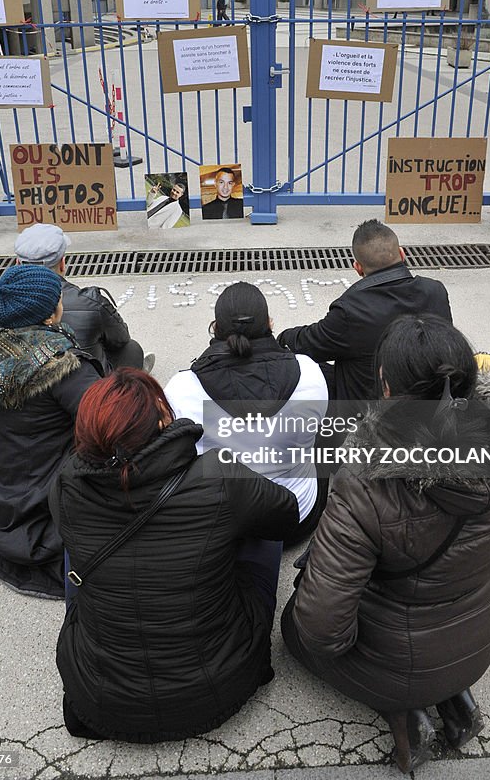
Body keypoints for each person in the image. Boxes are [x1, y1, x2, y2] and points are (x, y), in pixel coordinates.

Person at [281, 315, 490, 774]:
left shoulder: (366, 481)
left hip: (398, 662)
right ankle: (450, 699)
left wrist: (369, 646)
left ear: (387, 389)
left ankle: (406, 713)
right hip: (481, 636)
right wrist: (483, 563)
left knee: (292, 629)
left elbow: (321, 629)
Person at [50, 368, 298, 741]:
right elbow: (287, 517)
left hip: (101, 700)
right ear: (163, 417)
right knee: (260, 521)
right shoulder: (218, 474)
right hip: (221, 684)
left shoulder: (66, 486)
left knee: (78, 550)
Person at [0, 265, 102, 597]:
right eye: (58, 299)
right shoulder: (63, 367)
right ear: (49, 317)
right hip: (45, 520)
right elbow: (113, 426)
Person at [165, 282, 329, 545]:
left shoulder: (182, 388)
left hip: (222, 527)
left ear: (215, 328)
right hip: (296, 518)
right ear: (270, 323)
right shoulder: (308, 372)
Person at [278, 220, 452, 403]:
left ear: (358, 267)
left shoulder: (350, 310)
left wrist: (283, 338)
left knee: (303, 367)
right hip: (433, 404)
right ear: (402, 254)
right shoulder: (436, 291)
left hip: (370, 413)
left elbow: (307, 343)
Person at [14, 223, 154, 373]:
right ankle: (129, 386)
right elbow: (120, 338)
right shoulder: (90, 302)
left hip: (24, 385)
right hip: (85, 387)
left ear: (17, 263)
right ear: (62, 264)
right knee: (131, 349)